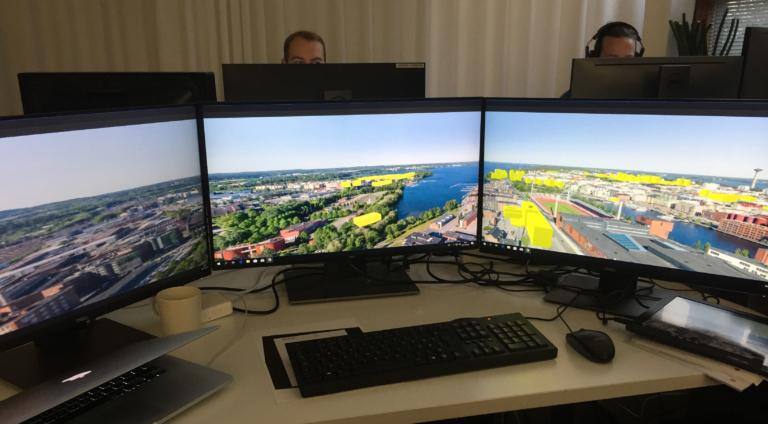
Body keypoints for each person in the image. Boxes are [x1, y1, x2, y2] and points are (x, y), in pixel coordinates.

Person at [561, 21, 645, 98]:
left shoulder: (647, 96)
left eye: (628, 59)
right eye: (612, 59)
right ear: (595, 57)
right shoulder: (573, 97)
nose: (621, 67)